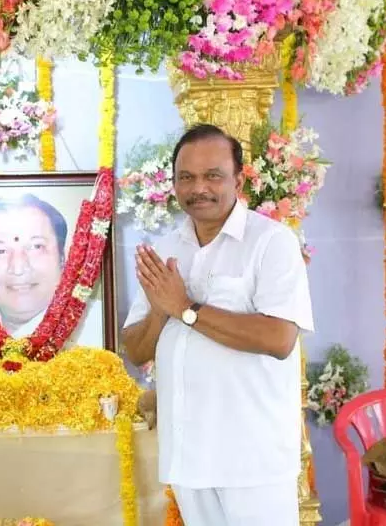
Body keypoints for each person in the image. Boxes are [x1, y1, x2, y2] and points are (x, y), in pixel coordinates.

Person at [121, 123, 313, 526]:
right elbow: (136, 350)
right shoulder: (167, 249)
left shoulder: (271, 242)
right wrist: (162, 310)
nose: (199, 188)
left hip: (252, 460)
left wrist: (186, 307)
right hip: (189, 455)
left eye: (213, 176)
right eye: (186, 177)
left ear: (238, 180)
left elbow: (279, 339)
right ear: (173, 183)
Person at [0, 193, 102, 375]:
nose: (19, 267)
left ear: (63, 259)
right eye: (0, 251)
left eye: (36, 247)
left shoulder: (102, 335)